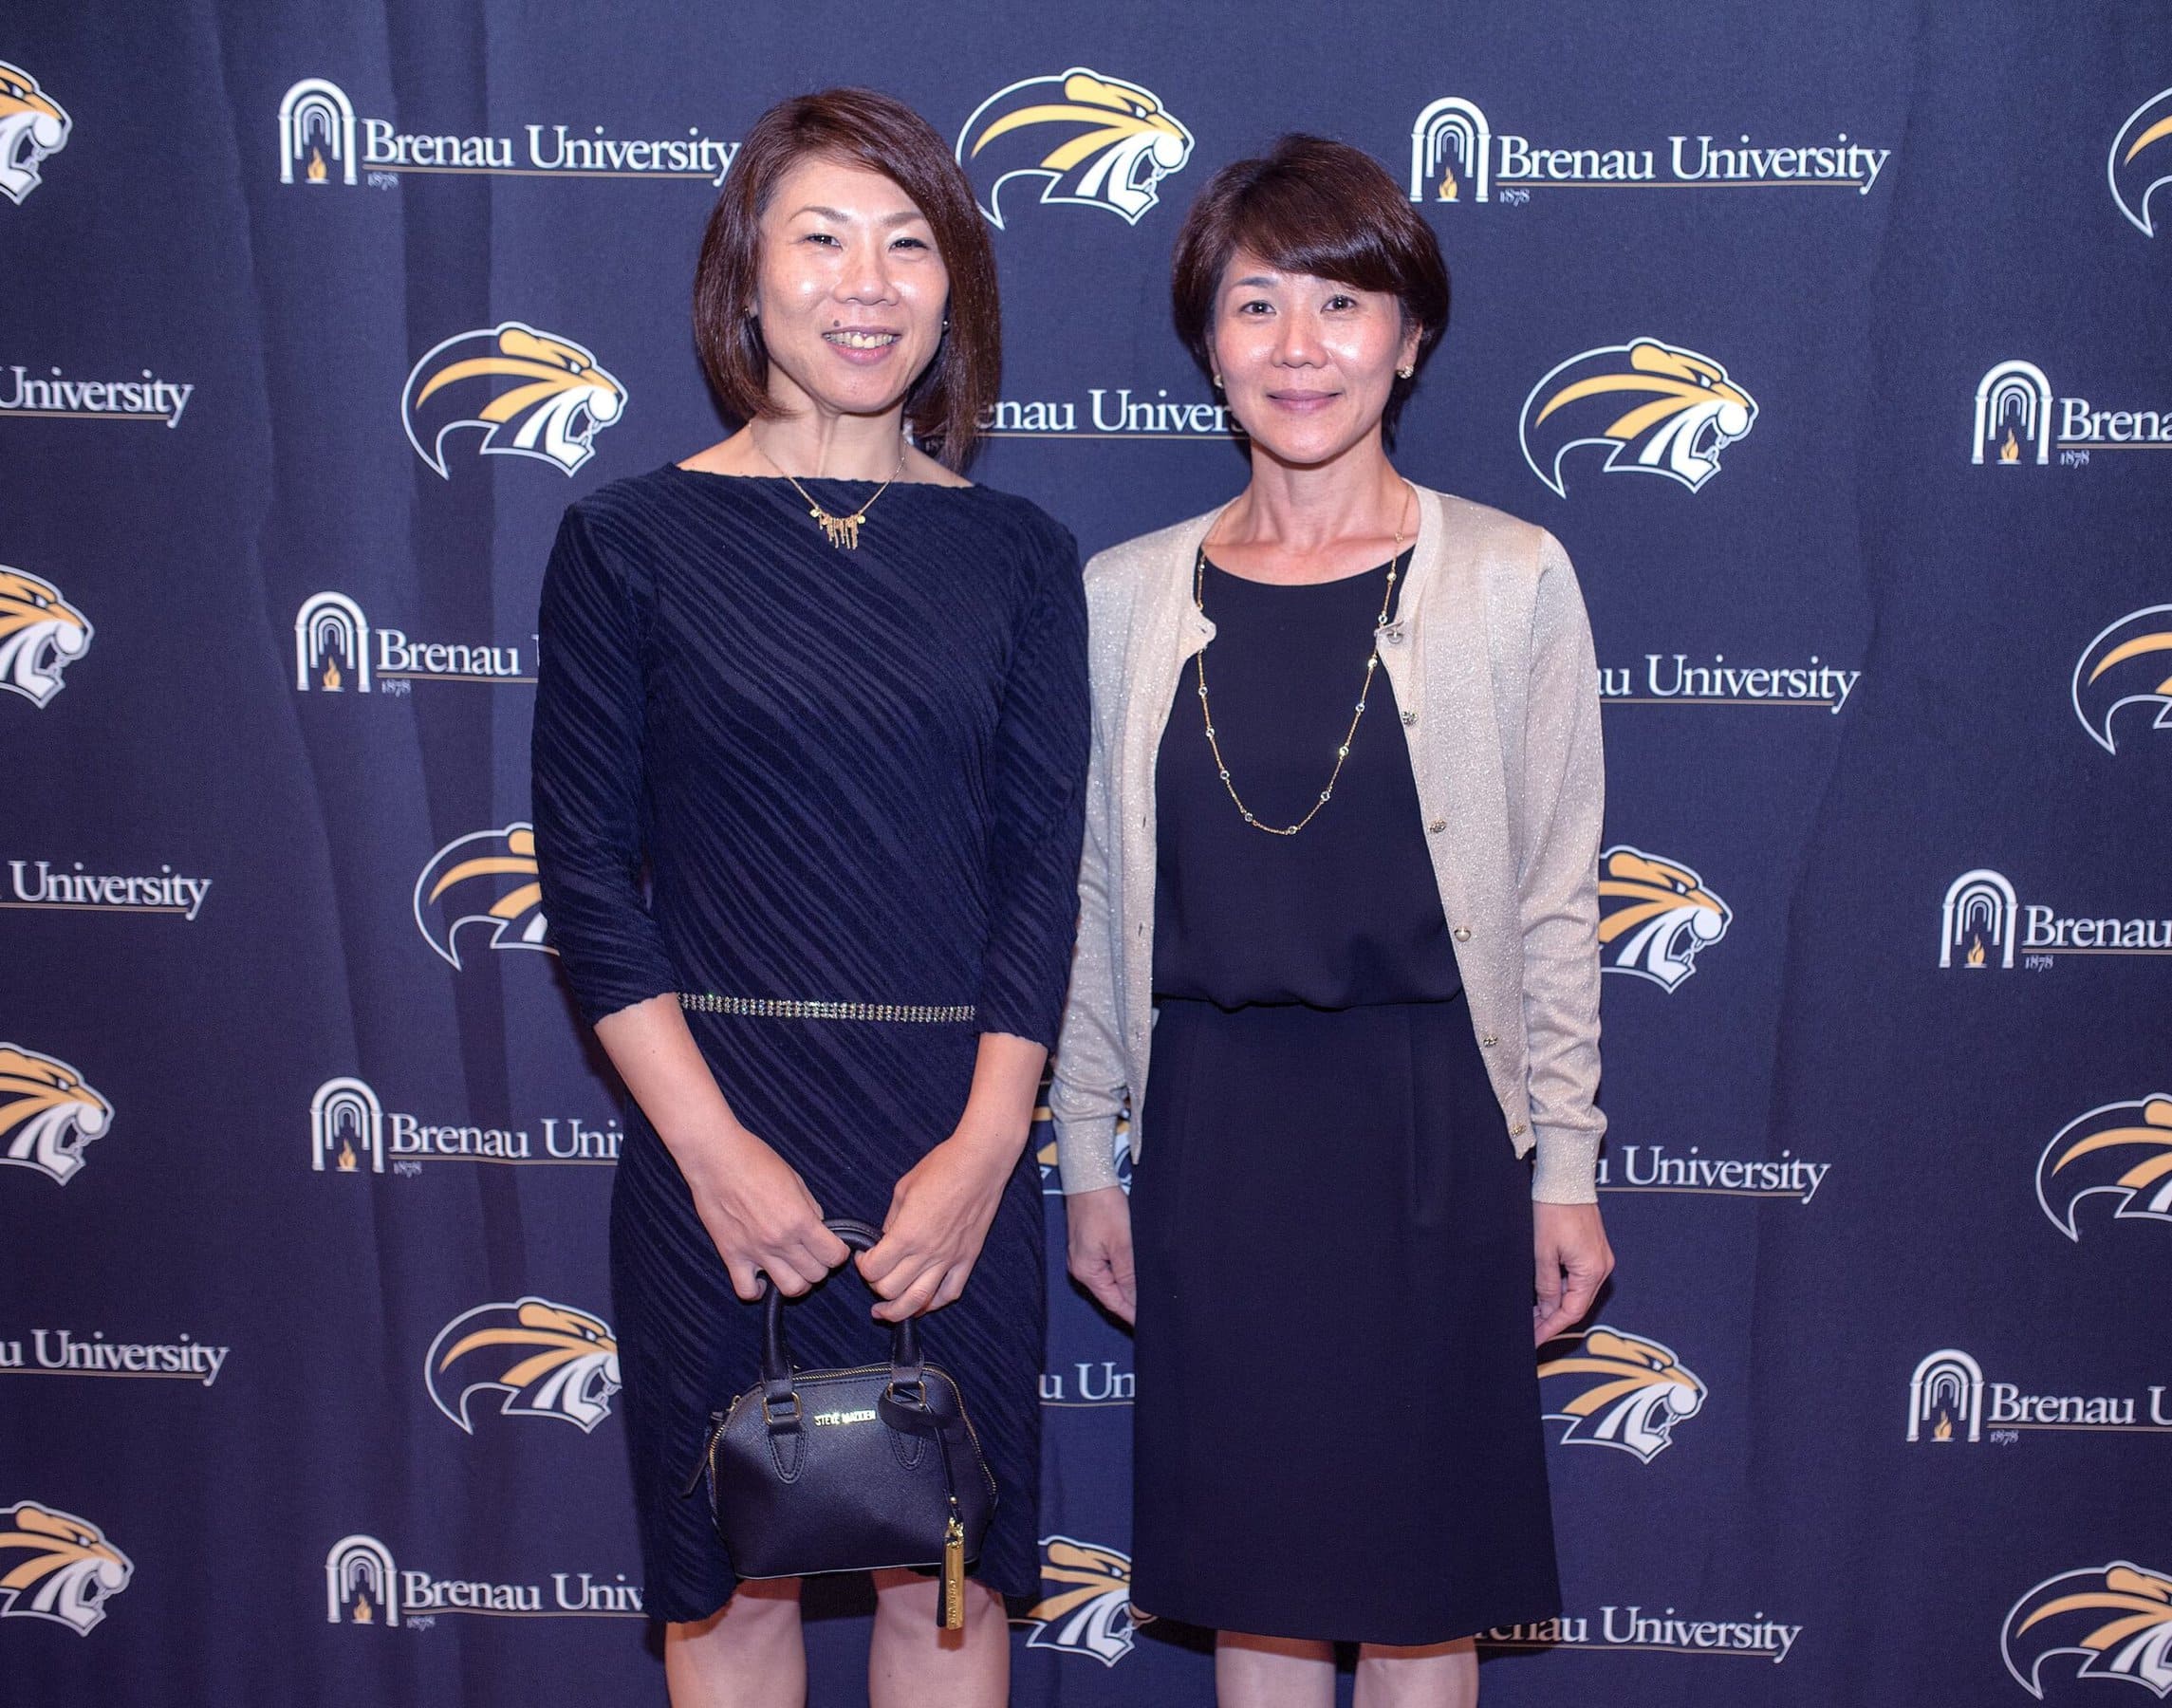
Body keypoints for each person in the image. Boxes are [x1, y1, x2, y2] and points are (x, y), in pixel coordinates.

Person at [530, 87, 1088, 1708]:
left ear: (953, 290)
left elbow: (1037, 876)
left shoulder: (1018, 557)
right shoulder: (627, 542)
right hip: (718, 1131)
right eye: (823, 237)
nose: (867, 282)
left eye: (909, 245)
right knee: (728, 1587)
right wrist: (713, 1160)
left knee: (950, 1583)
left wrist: (987, 1155)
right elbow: (588, 882)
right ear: (745, 278)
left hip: (947, 1138)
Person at [1051, 134, 1614, 1708]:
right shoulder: (1120, 599)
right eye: (1254, 308)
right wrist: (1089, 1154)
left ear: (1409, 338)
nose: (1299, 349)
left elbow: (1554, 902)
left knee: (1422, 1599)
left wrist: (1560, 1169)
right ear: (1207, 347)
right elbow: (1097, 903)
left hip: (1433, 1130)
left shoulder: (1512, 578)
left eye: (1343, 304)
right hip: (1220, 1140)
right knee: (1262, 1593)